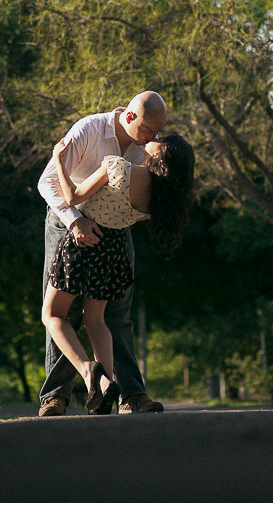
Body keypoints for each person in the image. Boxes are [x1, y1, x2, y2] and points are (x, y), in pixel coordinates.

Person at [41, 133, 195, 414]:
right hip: (113, 251)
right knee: (97, 320)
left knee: (52, 315)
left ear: (161, 154)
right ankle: (105, 389)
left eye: (161, 139)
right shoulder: (159, 197)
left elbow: (72, 197)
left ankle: (89, 373)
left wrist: (59, 161)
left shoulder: (117, 167)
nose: (154, 137)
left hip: (84, 244)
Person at [37, 91, 167, 416]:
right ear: (129, 117)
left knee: (116, 314)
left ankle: (128, 395)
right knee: (64, 313)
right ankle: (56, 397)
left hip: (113, 232)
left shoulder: (146, 149)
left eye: (158, 131)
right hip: (69, 221)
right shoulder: (90, 130)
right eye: (149, 130)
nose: (154, 137)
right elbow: (47, 183)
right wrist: (75, 221)